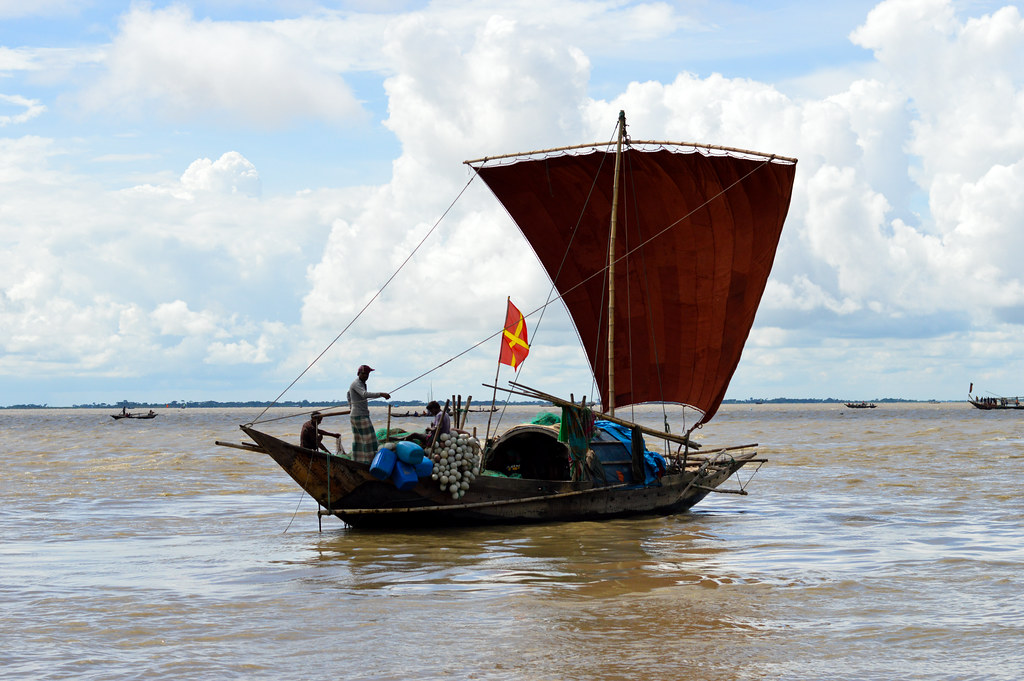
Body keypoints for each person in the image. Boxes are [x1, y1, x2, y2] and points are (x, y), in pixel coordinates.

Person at [348, 365, 391, 463]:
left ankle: (357, 461)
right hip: (359, 416)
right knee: (369, 440)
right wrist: (381, 394)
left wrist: (351, 407)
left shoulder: (362, 383)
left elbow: (348, 393)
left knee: (359, 440)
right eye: (363, 373)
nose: (366, 376)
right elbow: (364, 394)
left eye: (367, 374)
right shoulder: (356, 383)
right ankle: (370, 461)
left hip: (358, 414)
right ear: (358, 373)